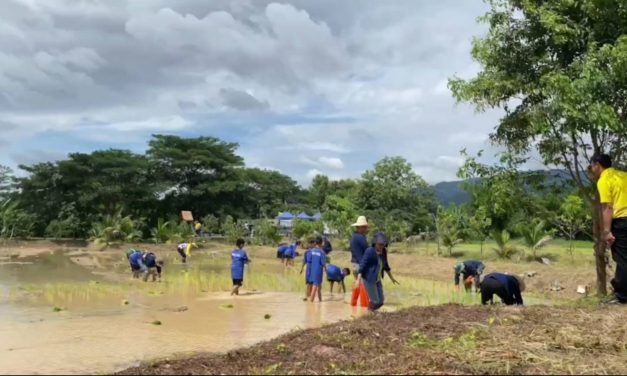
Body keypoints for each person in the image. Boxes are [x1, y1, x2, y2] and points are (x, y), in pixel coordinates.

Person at [590, 153, 627, 304]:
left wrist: (606, 231)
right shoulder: (623, 175)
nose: (591, 170)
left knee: (623, 259)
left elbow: (607, 207)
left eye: (591, 166)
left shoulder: (604, 179)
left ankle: (622, 297)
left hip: (622, 221)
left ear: (597, 164)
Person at [357, 232, 396, 312]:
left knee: (381, 301)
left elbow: (386, 265)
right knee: (374, 300)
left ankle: (371, 312)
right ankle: (369, 314)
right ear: (375, 243)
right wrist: (358, 279)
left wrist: (392, 278)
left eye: (383, 244)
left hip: (377, 279)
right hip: (369, 279)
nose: (381, 246)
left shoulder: (384, 251)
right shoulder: (369, 251)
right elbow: (362, 265)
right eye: (379, 244)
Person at [308, 237, 327, 302]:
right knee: (315, 286)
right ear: (321, 243)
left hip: (312, 270)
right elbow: (323, 263)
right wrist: (326, 270)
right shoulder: (322, 252)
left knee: (318, 286)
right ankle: (311, 302)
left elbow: (309, 260)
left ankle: (320, 300)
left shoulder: (311, 251)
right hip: (318, 271)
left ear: (315, 242)